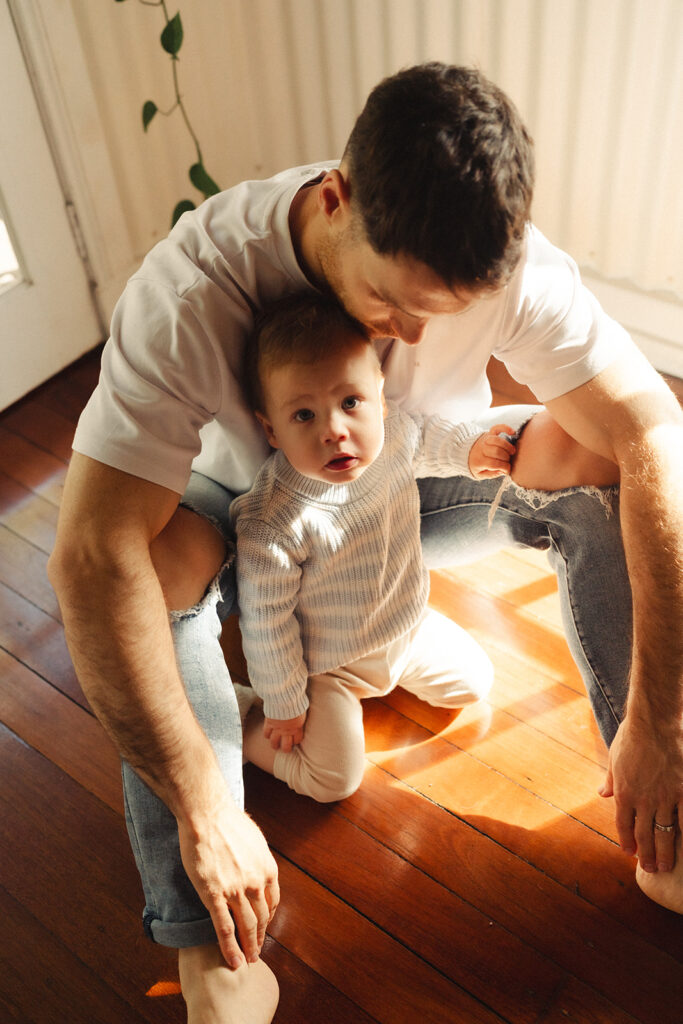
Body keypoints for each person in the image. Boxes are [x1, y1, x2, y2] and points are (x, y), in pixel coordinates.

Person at [47, 62, 683, 1023]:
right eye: (395, 307)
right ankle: (206, 941)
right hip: (244, 525)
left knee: (597, 462)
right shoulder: (189, 293)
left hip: (395, 492)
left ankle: (662, 819)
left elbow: (650, 431)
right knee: (154, 562)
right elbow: (90, 559)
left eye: (445, 314)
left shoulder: (508, 269)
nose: (414, 336)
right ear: (334, 202)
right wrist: (206, 808)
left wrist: (664, 720)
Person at [233, 291, 521, 798]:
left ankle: (381, 682)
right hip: (328, 668)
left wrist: (471, 451)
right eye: (304, 415)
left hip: (404, 627)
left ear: (379, 399)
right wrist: (283, 703)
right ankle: (231, 716)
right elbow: (266, 621)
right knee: (333, 782)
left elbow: (431, 438)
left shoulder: (393, 438)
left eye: (350, 403)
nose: (335, 432)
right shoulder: (271, 522)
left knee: (474, 682)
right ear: (270, 429)